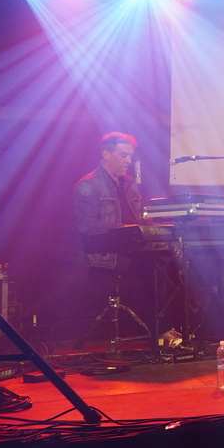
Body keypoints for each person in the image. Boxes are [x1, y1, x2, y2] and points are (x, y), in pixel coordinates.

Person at [72, 132, 151, 327]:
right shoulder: (88, 185)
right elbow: (87, 225)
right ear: (106, 154)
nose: (129, 161)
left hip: (135, 251)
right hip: (108, 257)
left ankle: (166, 329)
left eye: (130, 156)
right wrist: (125, 230)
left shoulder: (129, 184)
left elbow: (139, 217)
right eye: (124, 155)